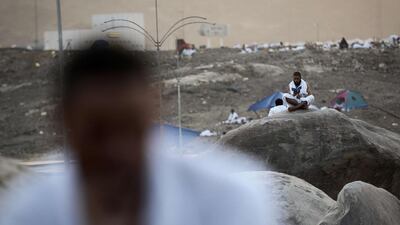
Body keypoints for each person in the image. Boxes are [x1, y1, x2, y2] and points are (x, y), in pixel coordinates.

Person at [0, 42, 271, 225]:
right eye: (98, 131)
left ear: (153, 107)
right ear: (62, 121)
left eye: (129, 127)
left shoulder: (226, 200)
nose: (116, 150)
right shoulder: (33, 212)